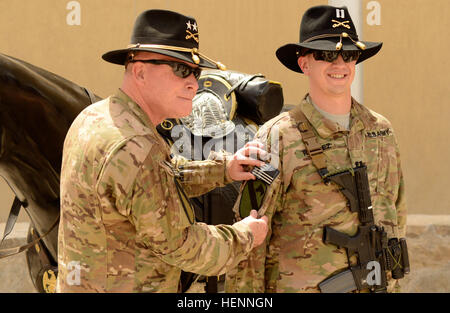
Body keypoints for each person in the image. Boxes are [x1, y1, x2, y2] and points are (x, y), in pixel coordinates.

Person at [56, 9, 269, 293]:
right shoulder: (136, 148)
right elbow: (184, 246)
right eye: (181, 70)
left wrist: (224, 169)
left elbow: (157, 183)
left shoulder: (95, 117)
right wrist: (246, 235)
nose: (193, 83)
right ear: (140, 71)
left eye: (196, 71)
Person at [225, 5, 408, 293]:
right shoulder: (278, 136)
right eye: (326, 55)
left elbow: (396, 214)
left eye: (348, 55)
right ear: (304, 63)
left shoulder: (380, 130)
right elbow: (251, 235)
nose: (339, 64)